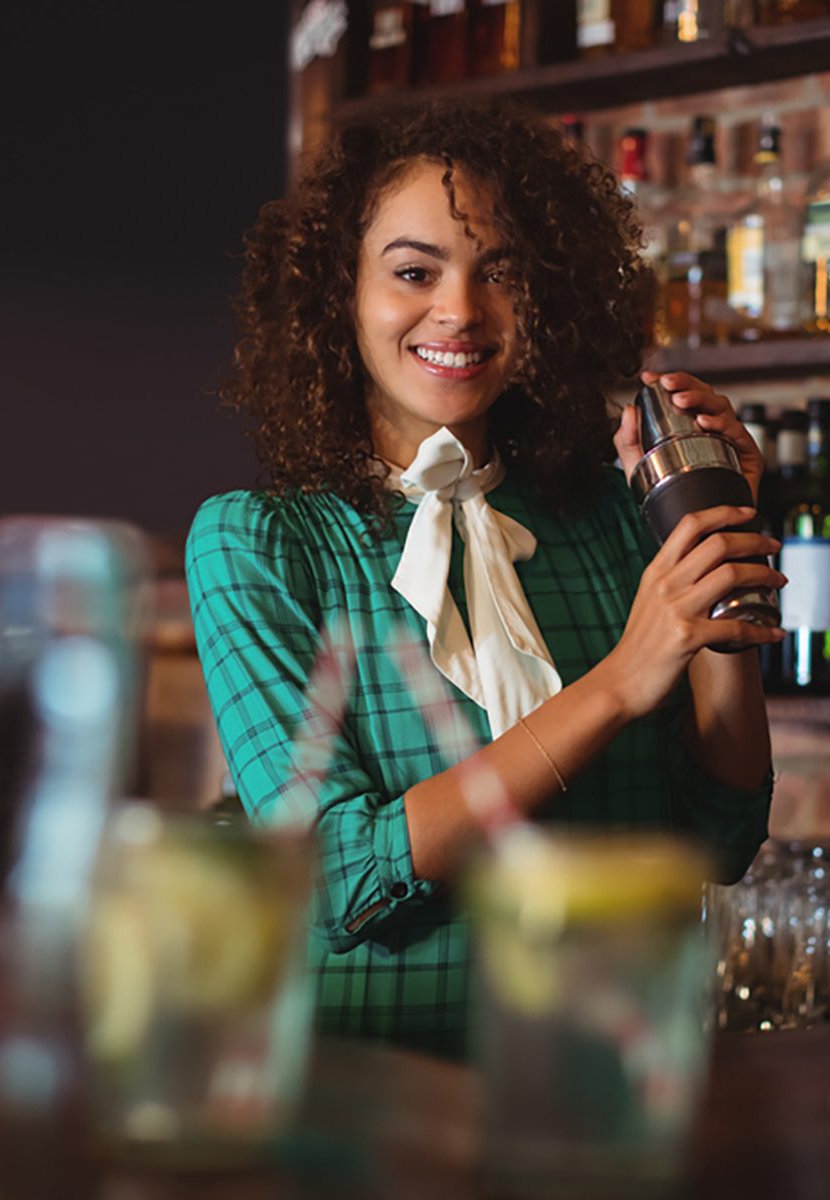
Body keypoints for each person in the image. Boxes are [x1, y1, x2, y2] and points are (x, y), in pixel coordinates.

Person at [186, 99, 786, 1058]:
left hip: (608, 1078)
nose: (460, 310)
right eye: (414, 272)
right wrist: (618, 685)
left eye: (499, 273)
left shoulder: (605, 514)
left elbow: (719, 836)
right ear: (338, 295)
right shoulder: (260, 544)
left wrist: (704, 527)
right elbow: (341, 879)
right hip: (382, 1105)